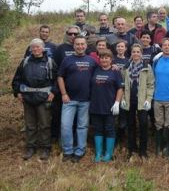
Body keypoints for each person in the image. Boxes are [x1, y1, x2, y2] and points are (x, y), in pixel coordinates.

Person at [12, 38, 57, 160]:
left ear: (43, 48)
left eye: (38, 47)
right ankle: (30, 147)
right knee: (30, 125)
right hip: (28, 98)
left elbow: (57, 80)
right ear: (30, 49)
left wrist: (53, 92)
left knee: (44, 125)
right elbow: (17, 79)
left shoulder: (50, 62)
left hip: (44, 98)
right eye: (33, 47)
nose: (36, 49)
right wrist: (18, 92)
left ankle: (45, 148)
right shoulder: (25, 62)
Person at [57, 35, 97, 163]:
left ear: (86, 46)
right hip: (69, 100)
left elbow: (102, 71)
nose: (80, 46)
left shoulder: (92, 61)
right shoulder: (67, 60)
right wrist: (63, 94)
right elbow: (60, 77)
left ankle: (80, 150)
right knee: (65, 125)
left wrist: (114, 67)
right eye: (77, 44)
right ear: (73, 46)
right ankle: (68, 150)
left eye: (82, 44)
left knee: (82, 126)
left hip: (86, 100)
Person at [121, 44, 154, 159]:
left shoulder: (147, 67)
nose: (135, 54)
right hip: (130, 101)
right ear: (131, 53)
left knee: (143, 125)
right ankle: (132, 148)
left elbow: (150, 85)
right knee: (131, 125)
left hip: (142, 101)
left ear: (141, 53)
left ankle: (143, 150)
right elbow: (122, 85)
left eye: (138, 52)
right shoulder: (126, 67)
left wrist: (148, 99)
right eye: (133, 52)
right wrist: (123, 98)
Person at [90, 49, 123, 162]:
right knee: (98, 129)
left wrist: (117, 102)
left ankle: (108, 154)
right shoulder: (95, 69)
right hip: (96, 106)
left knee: (109, 129)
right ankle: (99, 153)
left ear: (111, 59)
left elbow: (120, 88)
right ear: (99, 59)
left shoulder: (115, 71)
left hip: (109, 106)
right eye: (102, 57)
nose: (104, 59)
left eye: (107, 57)